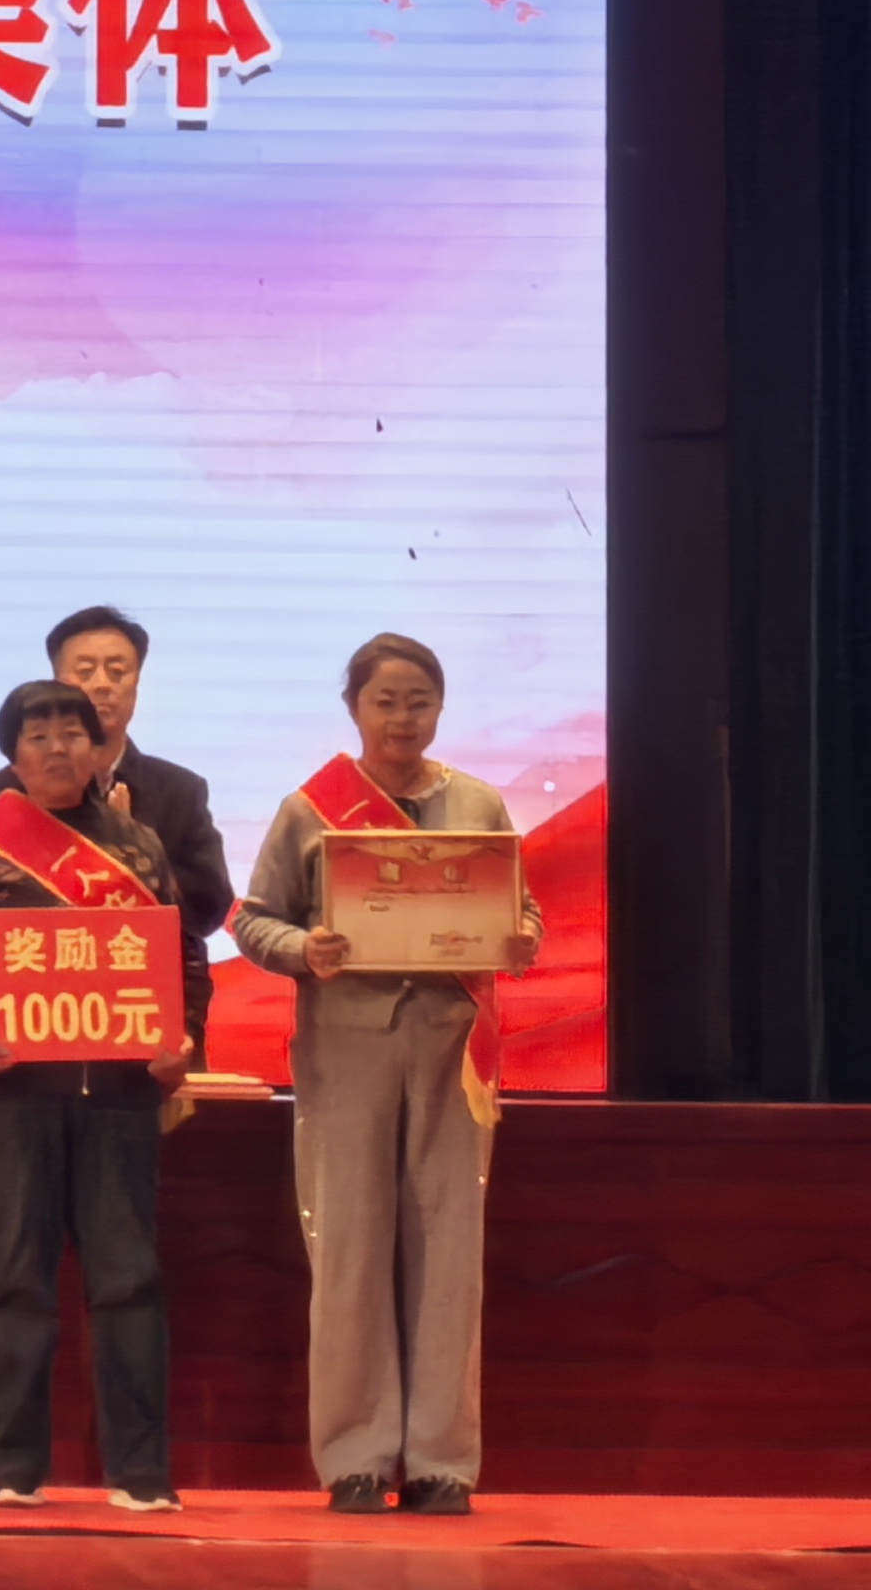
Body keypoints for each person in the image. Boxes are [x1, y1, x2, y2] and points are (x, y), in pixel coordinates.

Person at [230, 633, 540, 1518]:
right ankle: (356, 1458)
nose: (403, 718)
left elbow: (522, 910)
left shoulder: (477, 804)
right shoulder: (310, 810)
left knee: (450, 1248)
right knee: (351, 1246)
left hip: (452, 1046)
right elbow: (253, 921)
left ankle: (443, 1461)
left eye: (419, 701)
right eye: (385, 701)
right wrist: (306, 949)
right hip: (347, 1045)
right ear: (354, 708)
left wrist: (520, 939)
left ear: (440, 708)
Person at [0, 681, 205, 1513]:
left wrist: (183, 1042)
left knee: (128, 1279)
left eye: (74, 733)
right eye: (39, 736)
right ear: (13, 755)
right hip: (11, 1100)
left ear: (100, 750)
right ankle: (15, 1468)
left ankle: (140, 1472)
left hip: (119, 1100)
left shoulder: (140, 847)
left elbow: (185, 965)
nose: (59, 748)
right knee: (15, 1279)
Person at [0, 609, 236, 958]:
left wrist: (137, 852)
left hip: (144, 969)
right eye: (85, 671)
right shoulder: (10, 789)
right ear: (56, 683)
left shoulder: (179, 790)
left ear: (137, 685)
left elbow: (211, 908)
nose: (102, 684)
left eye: (117, 671)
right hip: (43, 967)